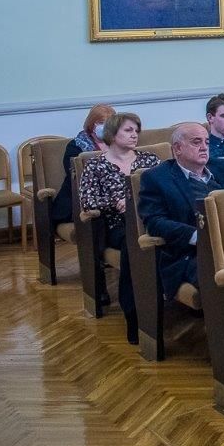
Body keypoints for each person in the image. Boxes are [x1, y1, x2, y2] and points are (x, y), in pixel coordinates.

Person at [79, 112, 162, 343]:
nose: (134, 134)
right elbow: (88, 201)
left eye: (136, 130)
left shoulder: (150, 160)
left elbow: (165, 189)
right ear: (112, 134)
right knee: (132, 245)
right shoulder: (95, 165)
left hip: (150, 219)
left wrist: (135, 200)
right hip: (117, 226)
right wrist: (117, 202)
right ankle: (134, 317)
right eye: (128, 130)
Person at [138, 123, 224, 303]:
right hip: (193, 253)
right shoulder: (157, 177)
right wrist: (198, 236)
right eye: (196, 142)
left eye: (206, 142)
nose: (204, 147)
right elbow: (154, 222)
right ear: (177, 148)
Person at [56, 103, 115, 226]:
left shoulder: (118, 143)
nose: (106, 127)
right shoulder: (75, 146)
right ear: (91, 124)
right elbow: (76, 175)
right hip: (81, 197)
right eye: (101, 123)